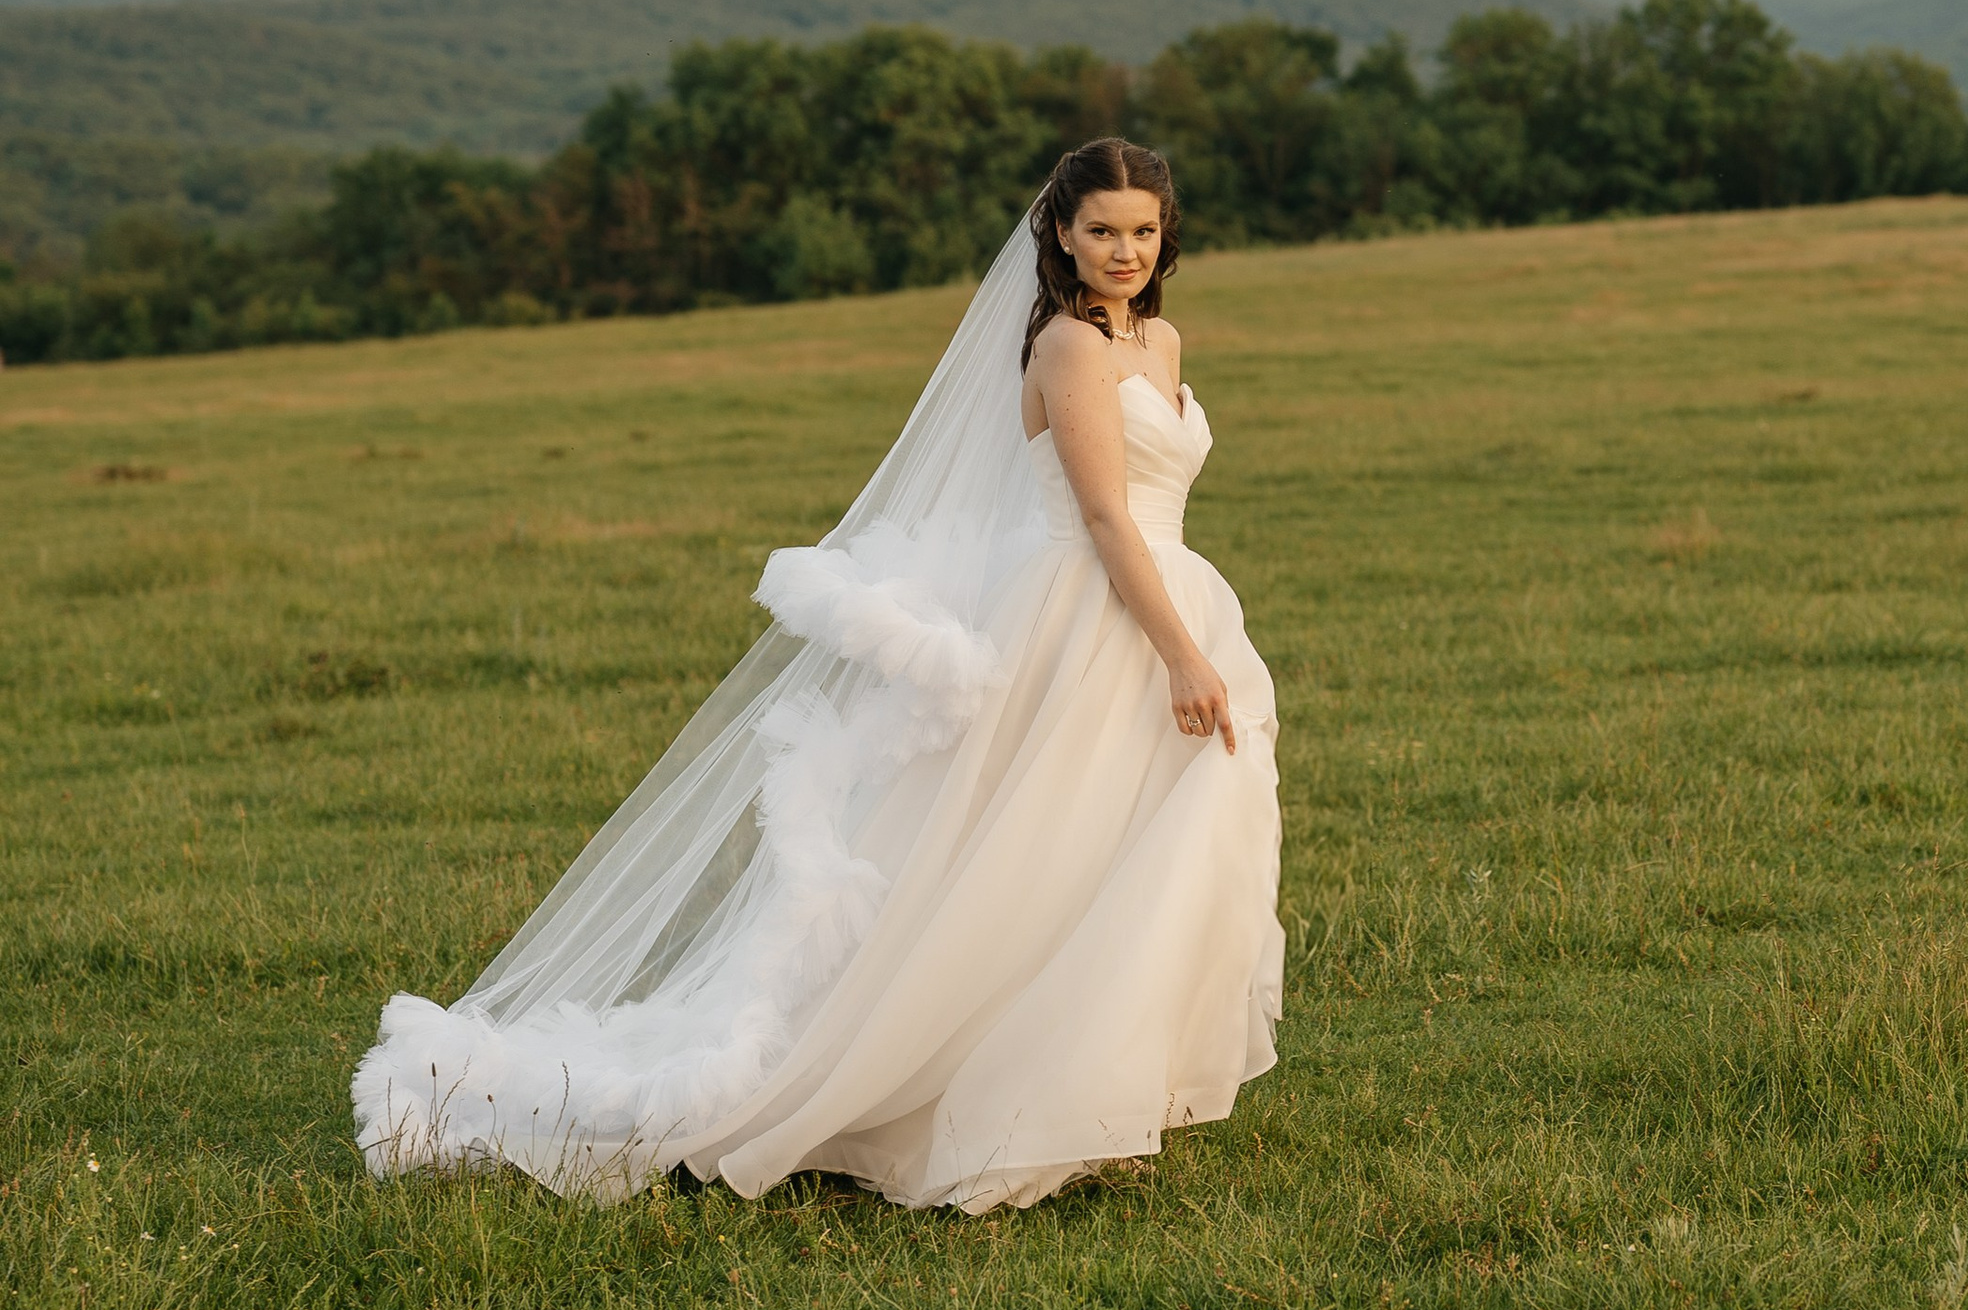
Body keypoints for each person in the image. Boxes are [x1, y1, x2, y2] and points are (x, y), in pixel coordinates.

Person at [353, 140, 1282, 1214]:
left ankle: (1102, 1085)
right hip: (1091, 613)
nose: (1124, 250)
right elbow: (1109, 517)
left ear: (1166, 237)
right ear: (1061, 235)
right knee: (1038, 852)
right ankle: (934, 1087)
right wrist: (1180, 653)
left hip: (1166, 598)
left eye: (1143, 231)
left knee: (1131, 852)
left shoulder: (1158, 338)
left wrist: (1187, 632)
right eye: (1101, 230)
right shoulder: (1071, 348)